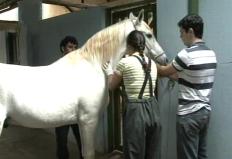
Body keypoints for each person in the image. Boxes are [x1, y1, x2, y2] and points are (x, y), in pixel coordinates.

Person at [157, 14, 217, 159]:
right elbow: (182, 76)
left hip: (189, 115)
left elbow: (163, 71)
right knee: (201, 155)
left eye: (181, 33)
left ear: (190, 31)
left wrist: (149, 62)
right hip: (204, 112)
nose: (180, 37)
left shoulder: (186, 54)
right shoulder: (211, 53)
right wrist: (167, 73)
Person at [105, 30, 161, 159]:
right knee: (152, 150)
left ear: (129, 45)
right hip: (154, 108)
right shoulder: (152, 63)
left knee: (133, 151)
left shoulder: (125, 62)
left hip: (136, 110)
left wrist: (109, 71)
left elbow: (111, 86)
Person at [55, 35, 83, 159]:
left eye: (75, 47)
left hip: (77, 111)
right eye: (70, 47)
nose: (73, 50)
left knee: (82, 141)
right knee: (61, 143)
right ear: (63, 48)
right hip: (61, 112)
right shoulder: (56, 66)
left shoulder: (79, 66)